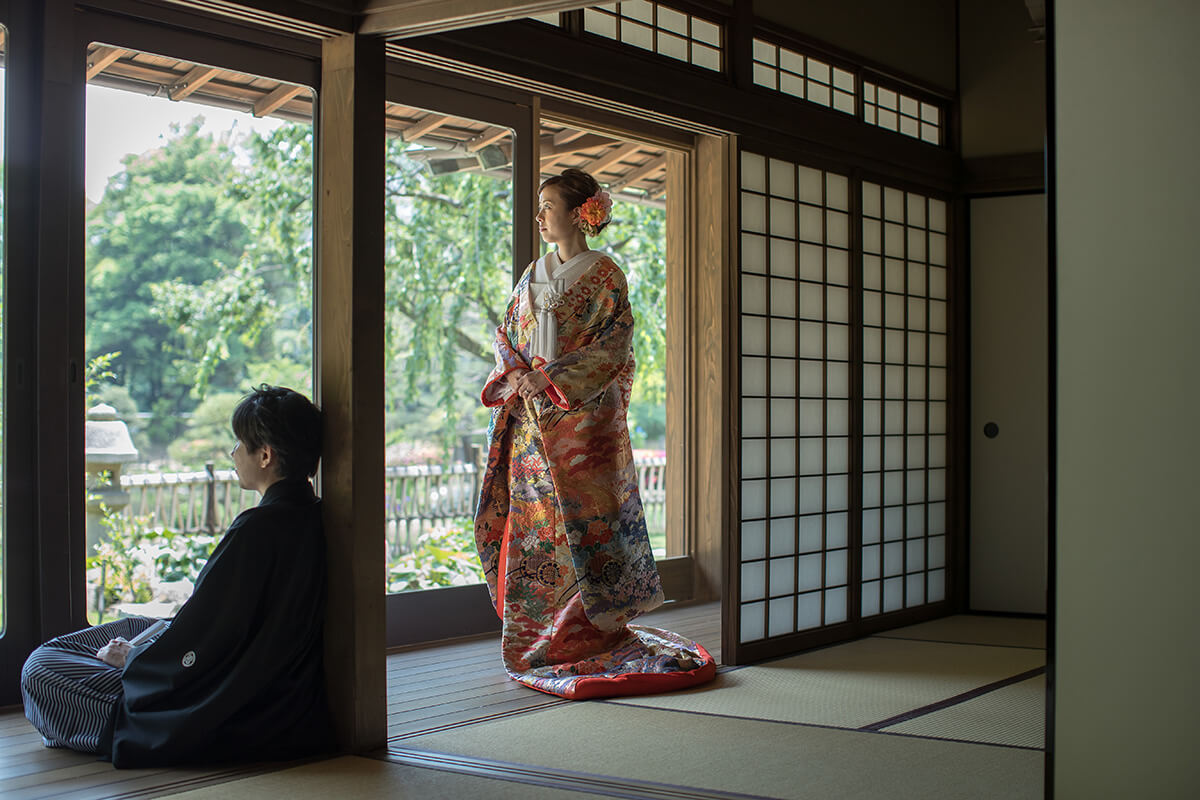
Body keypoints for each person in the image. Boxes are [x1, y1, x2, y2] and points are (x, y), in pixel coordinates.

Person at [474, 168, 716, 699]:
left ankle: (587, 636)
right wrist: (516, 375)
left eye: (549, 205)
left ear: (581, 212)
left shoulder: (604, 274)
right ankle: (537, 637)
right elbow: (505, 337)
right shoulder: (531, 273)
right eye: (539, 207)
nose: (540, 216)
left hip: (582, 429)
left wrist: (552, 377)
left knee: (585, 530)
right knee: (538, 533)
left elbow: (615, 346)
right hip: (532, 427)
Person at [20, 385, 333, 767]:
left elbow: (209, 639)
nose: (233, 453)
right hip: (279, 697)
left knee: (40, 668)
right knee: (135, 623)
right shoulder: (311, 514)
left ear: (265, 454)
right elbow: (217, 624)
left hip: (219, 707)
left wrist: (134, 658)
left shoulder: (259, 529)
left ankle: (90, 724)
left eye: (239, 444)